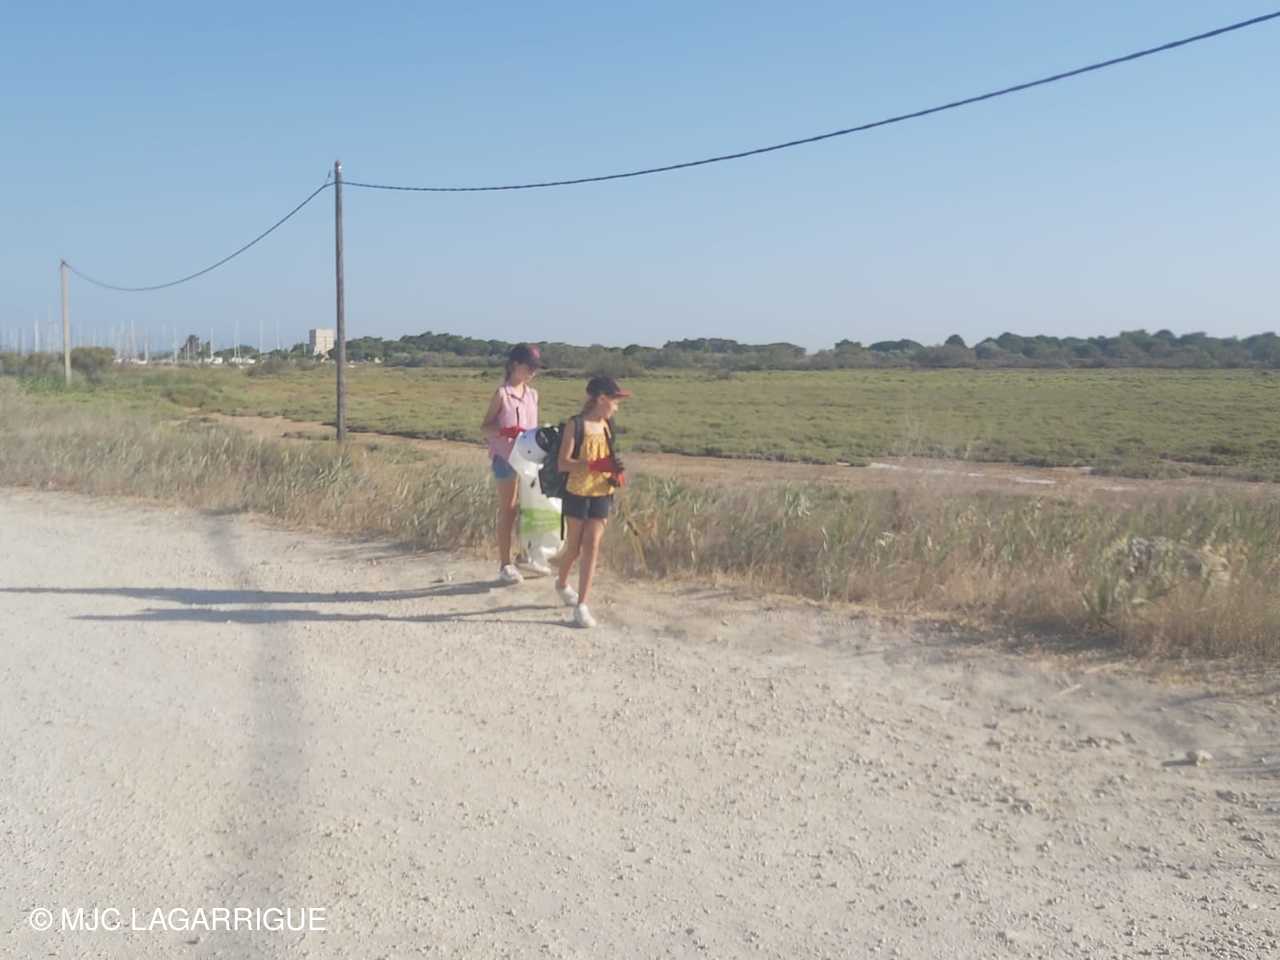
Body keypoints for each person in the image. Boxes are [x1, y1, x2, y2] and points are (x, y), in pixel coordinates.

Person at [553, 375, 631, 627]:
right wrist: (595, 465)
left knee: (592, 545)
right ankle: (561, 583)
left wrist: (615, 472)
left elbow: (608, 458)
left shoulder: (608, 425)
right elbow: (563, 463)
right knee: (574, 548)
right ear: (601, 399)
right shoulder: (575, 425)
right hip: (576, 492)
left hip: (602, 492)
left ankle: (582, 605)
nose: (616, 407)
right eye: (615, 401)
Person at [481, 343, 541, 584]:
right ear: (515, 365)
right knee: (509, 509)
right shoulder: (502, 394)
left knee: (530, 507)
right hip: (505, 458)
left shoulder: (533, 395)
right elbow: (485, 427)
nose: (533, 371)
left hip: (528, 457)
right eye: (529, 366)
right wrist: (505, 431)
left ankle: (526, 555)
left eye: (536, 367)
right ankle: (505, 564)